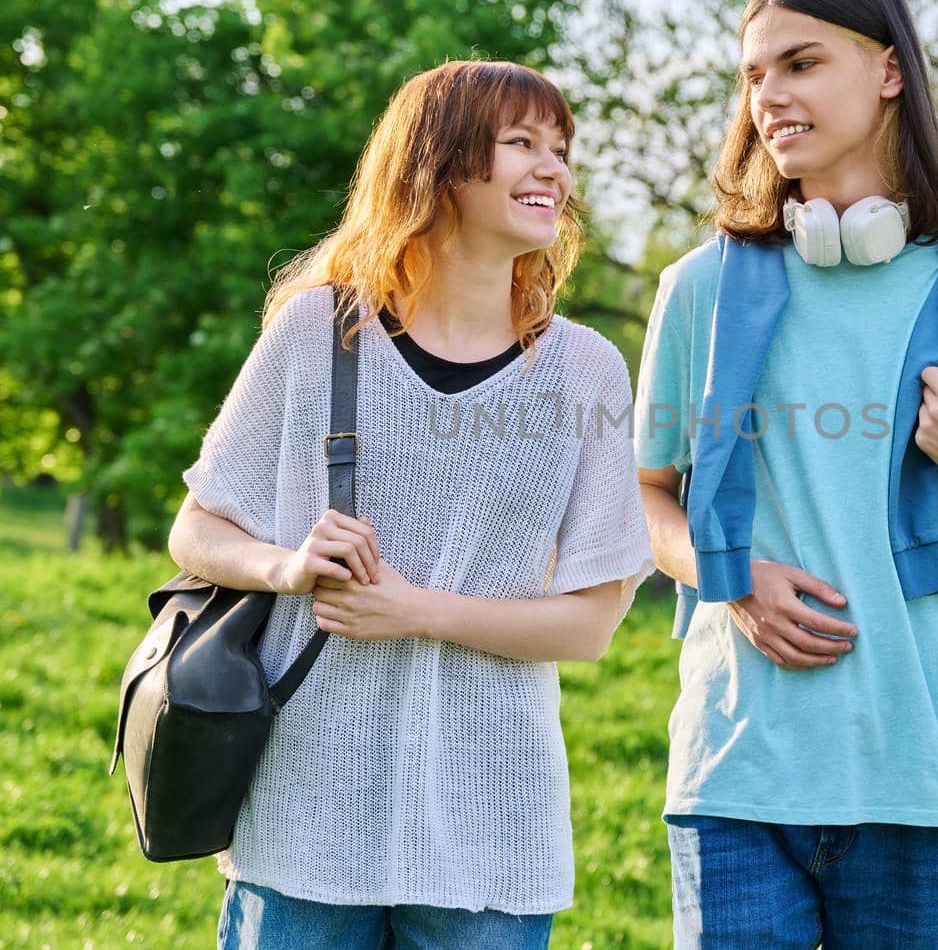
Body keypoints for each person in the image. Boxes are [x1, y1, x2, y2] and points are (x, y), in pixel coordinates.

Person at [634, 0, 938, 948]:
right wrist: (727, 574)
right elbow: (646, 498)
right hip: (737, 773)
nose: (770, 96)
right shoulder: (699, 290)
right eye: (754, 75)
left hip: (924, 778)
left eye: (800, 63)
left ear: (888, 72)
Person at [168, 59, 656, 949]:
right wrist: (287, 565)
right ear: (439, 164)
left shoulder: (586, 369)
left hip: (492, 838)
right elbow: (196, 526)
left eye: (561, 148)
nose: (554, 168)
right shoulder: (317, 333)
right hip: (305, 822)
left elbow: (590, 624)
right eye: (521, 144)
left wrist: (415, 611)